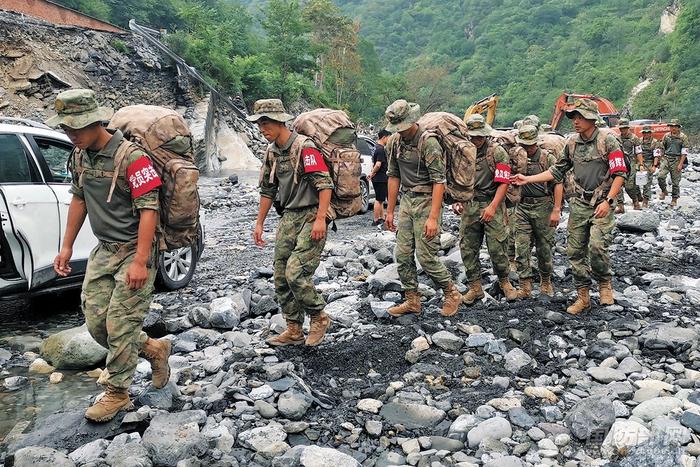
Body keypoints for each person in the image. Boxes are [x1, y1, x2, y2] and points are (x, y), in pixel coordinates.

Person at [49, 89, 171, 422]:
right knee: (96, 323)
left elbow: (150, 209)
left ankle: (117, 393)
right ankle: (155, 348)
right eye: (66, 129)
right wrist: (67, 245)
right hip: (104, 250)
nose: (71, 135)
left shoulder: (132, 157)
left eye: (76, 128)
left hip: (135, 249)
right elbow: (79, 199)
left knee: (120, 324)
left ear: (95, 121)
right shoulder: (79, 155)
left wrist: (140, 261)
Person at [512, 98, 627, 315]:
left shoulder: (608, 140)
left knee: (597, 246)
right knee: (574, 251)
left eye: (580, 117)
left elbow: (620, 173)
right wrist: (527, 179)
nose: (575, 121)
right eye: (574, 117)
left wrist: (609, 201)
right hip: (580, 203)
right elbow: (556, 172)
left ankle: (604, 284)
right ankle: (583, 296)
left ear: (592, 119)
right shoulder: (571, 143)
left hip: (602, 201)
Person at [252, 99, 332, 347]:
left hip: (311, 215)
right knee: (280, 276)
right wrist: (259, 223)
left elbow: (325, 184)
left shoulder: (304, 148)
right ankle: (294, 328)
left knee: (296, 273)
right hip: (288, 217)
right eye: (259, 125)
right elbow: (267, 190)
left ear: (279, 122)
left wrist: (320, 218)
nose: (261, 129)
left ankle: (319, 317)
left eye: (265, 124)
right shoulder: (271, 152)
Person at [384, 99, 462, 317]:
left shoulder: (428, 142)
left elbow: (439, 181)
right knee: (402, 253)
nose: (400, 131)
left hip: (428, 199)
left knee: (426, 256)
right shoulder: (394, 142)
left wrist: (433, 218)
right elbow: (393, 176)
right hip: (407, 200)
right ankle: (412, 299)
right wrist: (390, 211)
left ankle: (451, 293)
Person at [456, 114, 518, 305]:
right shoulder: (462, 152)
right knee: (468, 247)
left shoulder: (497, 152)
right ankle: (475, 287)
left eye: (479, 136)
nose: (476, 140)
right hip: (470, 204)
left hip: (493, 203)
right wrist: (457, 200)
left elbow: (504, 182)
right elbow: (457, 178)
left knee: (497, 247)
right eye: (473, 136)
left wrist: (492, 207)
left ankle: (505, 282)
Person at [510, 125, 563, 298]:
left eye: (530, 145)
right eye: (524, 146)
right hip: (523, 207)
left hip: (543, 206)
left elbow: (558, 182)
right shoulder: (517, 157)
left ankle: (546, 281)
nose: (527, 149)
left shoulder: (548, 158)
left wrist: (556, 209)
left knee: (544, 247)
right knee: (522, 247)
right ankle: (525, 285)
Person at [657, 119, 690, 207]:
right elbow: (661, 148)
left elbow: (684, 152)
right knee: (660, 176)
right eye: (671, 126)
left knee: (675, 181)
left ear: (678, 128)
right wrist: (660, 159)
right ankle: (664, 190)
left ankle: (674, 199)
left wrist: (680, 164)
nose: (673, 128)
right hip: (666, 158)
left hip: (677, 159)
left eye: (675, 127)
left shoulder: (683, 137)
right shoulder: (666, 136)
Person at [614, 118, 643, 213]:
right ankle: (620, 205)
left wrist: (641, 164)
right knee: (618, 185)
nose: (622, 130)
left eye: (624, 128)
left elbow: (638, 152)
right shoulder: (617, 138)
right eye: (621, 128)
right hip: (620, 163)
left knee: (629, 186)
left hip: (631, 163)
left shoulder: (634, 138)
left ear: (628, 128)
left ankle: (635, 200)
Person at [368, 130, 390, 225]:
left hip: (378, 177)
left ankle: (381, 218)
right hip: (380, 177)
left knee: (380, 199)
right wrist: (372, 173)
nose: (389, 140)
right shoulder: (381, 149)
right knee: (379, 199)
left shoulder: (375, 148)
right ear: (384, 137)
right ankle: (376, 219)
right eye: (389, 137)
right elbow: (378, 164)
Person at [638, 126, 662, 207]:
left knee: (647, 182)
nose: (645, 134)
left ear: (650, 133)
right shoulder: (639, 141)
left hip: (649, 162)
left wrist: (654, 166)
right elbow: (637, 152)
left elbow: (656, 155)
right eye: (644, 132)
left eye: (647, 133)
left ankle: (646, 199)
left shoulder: (655, 142)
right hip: (639, 161)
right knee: (632, 179)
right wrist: (640, 164)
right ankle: (638, 196)